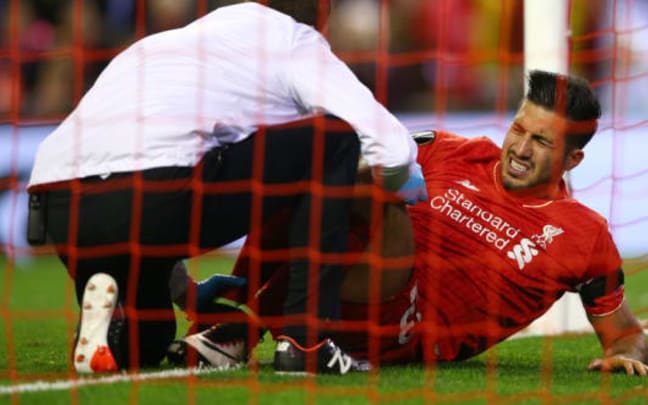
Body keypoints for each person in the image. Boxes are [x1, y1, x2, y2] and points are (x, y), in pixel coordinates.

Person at [26, 0, 427, 375]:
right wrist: (401, 190)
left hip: (62, 210)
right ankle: (306, 341)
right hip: (153, 195)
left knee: (148, 342)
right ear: (324, 11)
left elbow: (134, 157)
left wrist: (185, 291)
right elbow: (391, 149)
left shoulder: (168, 43)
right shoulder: (291, 39)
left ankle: (110, 317)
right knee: (335, 139)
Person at [170, 70, 648, 376]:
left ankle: (251, 321)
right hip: (353, 273)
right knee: (320, 164)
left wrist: (627, 355)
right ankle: (234, 323)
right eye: (518, 129)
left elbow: (624, 333)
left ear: (573, 158)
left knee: (384, 193)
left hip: (412, 327)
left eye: (542, 143)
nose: (521, 149)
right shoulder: (450, 149)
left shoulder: (582, 234)